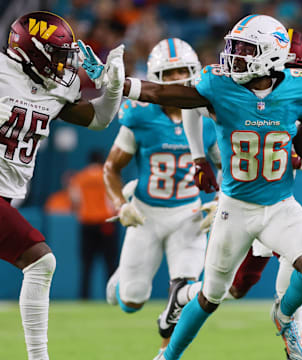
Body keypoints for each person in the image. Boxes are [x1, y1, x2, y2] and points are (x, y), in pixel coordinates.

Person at [113, 14, 302, 360]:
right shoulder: (219, 85)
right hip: (235, 207)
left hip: (280, 203)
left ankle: (286, 318)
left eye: (244, 49)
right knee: (212, 296)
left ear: (270, 55)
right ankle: (168, 355)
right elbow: (167, 93)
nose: (232, 55)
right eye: (233, 46)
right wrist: (198, 158)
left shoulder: (300, 86)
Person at [0, 11, 125, 359]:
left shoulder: (55, 88)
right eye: (55, 54)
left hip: (7, 196)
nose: (62, 64)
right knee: (40, 261)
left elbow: (100, 119)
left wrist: (113, 87)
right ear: (32, 51)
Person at [101, 37, 221, 355]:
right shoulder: (139, 115)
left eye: (181, 71)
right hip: (146, 215)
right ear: (155, 78)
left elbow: (229, 167)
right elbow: (111, 167)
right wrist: (120, 204)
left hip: (189, 215)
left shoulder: (209, 116)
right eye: (168, 74)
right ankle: (120, 282)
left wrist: (221, 201)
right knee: (131, 301)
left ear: (193, 72)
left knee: (184, 291)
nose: (176, 80)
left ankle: (165, 352)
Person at [69, 150, 119, 299]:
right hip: (106, 223)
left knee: (86, 264)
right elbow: (113, 200)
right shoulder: (108, 176)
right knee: (110, 263)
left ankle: (84, 297)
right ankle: (112, 297)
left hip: (87, 222)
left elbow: (75, 199)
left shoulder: (79, 177)